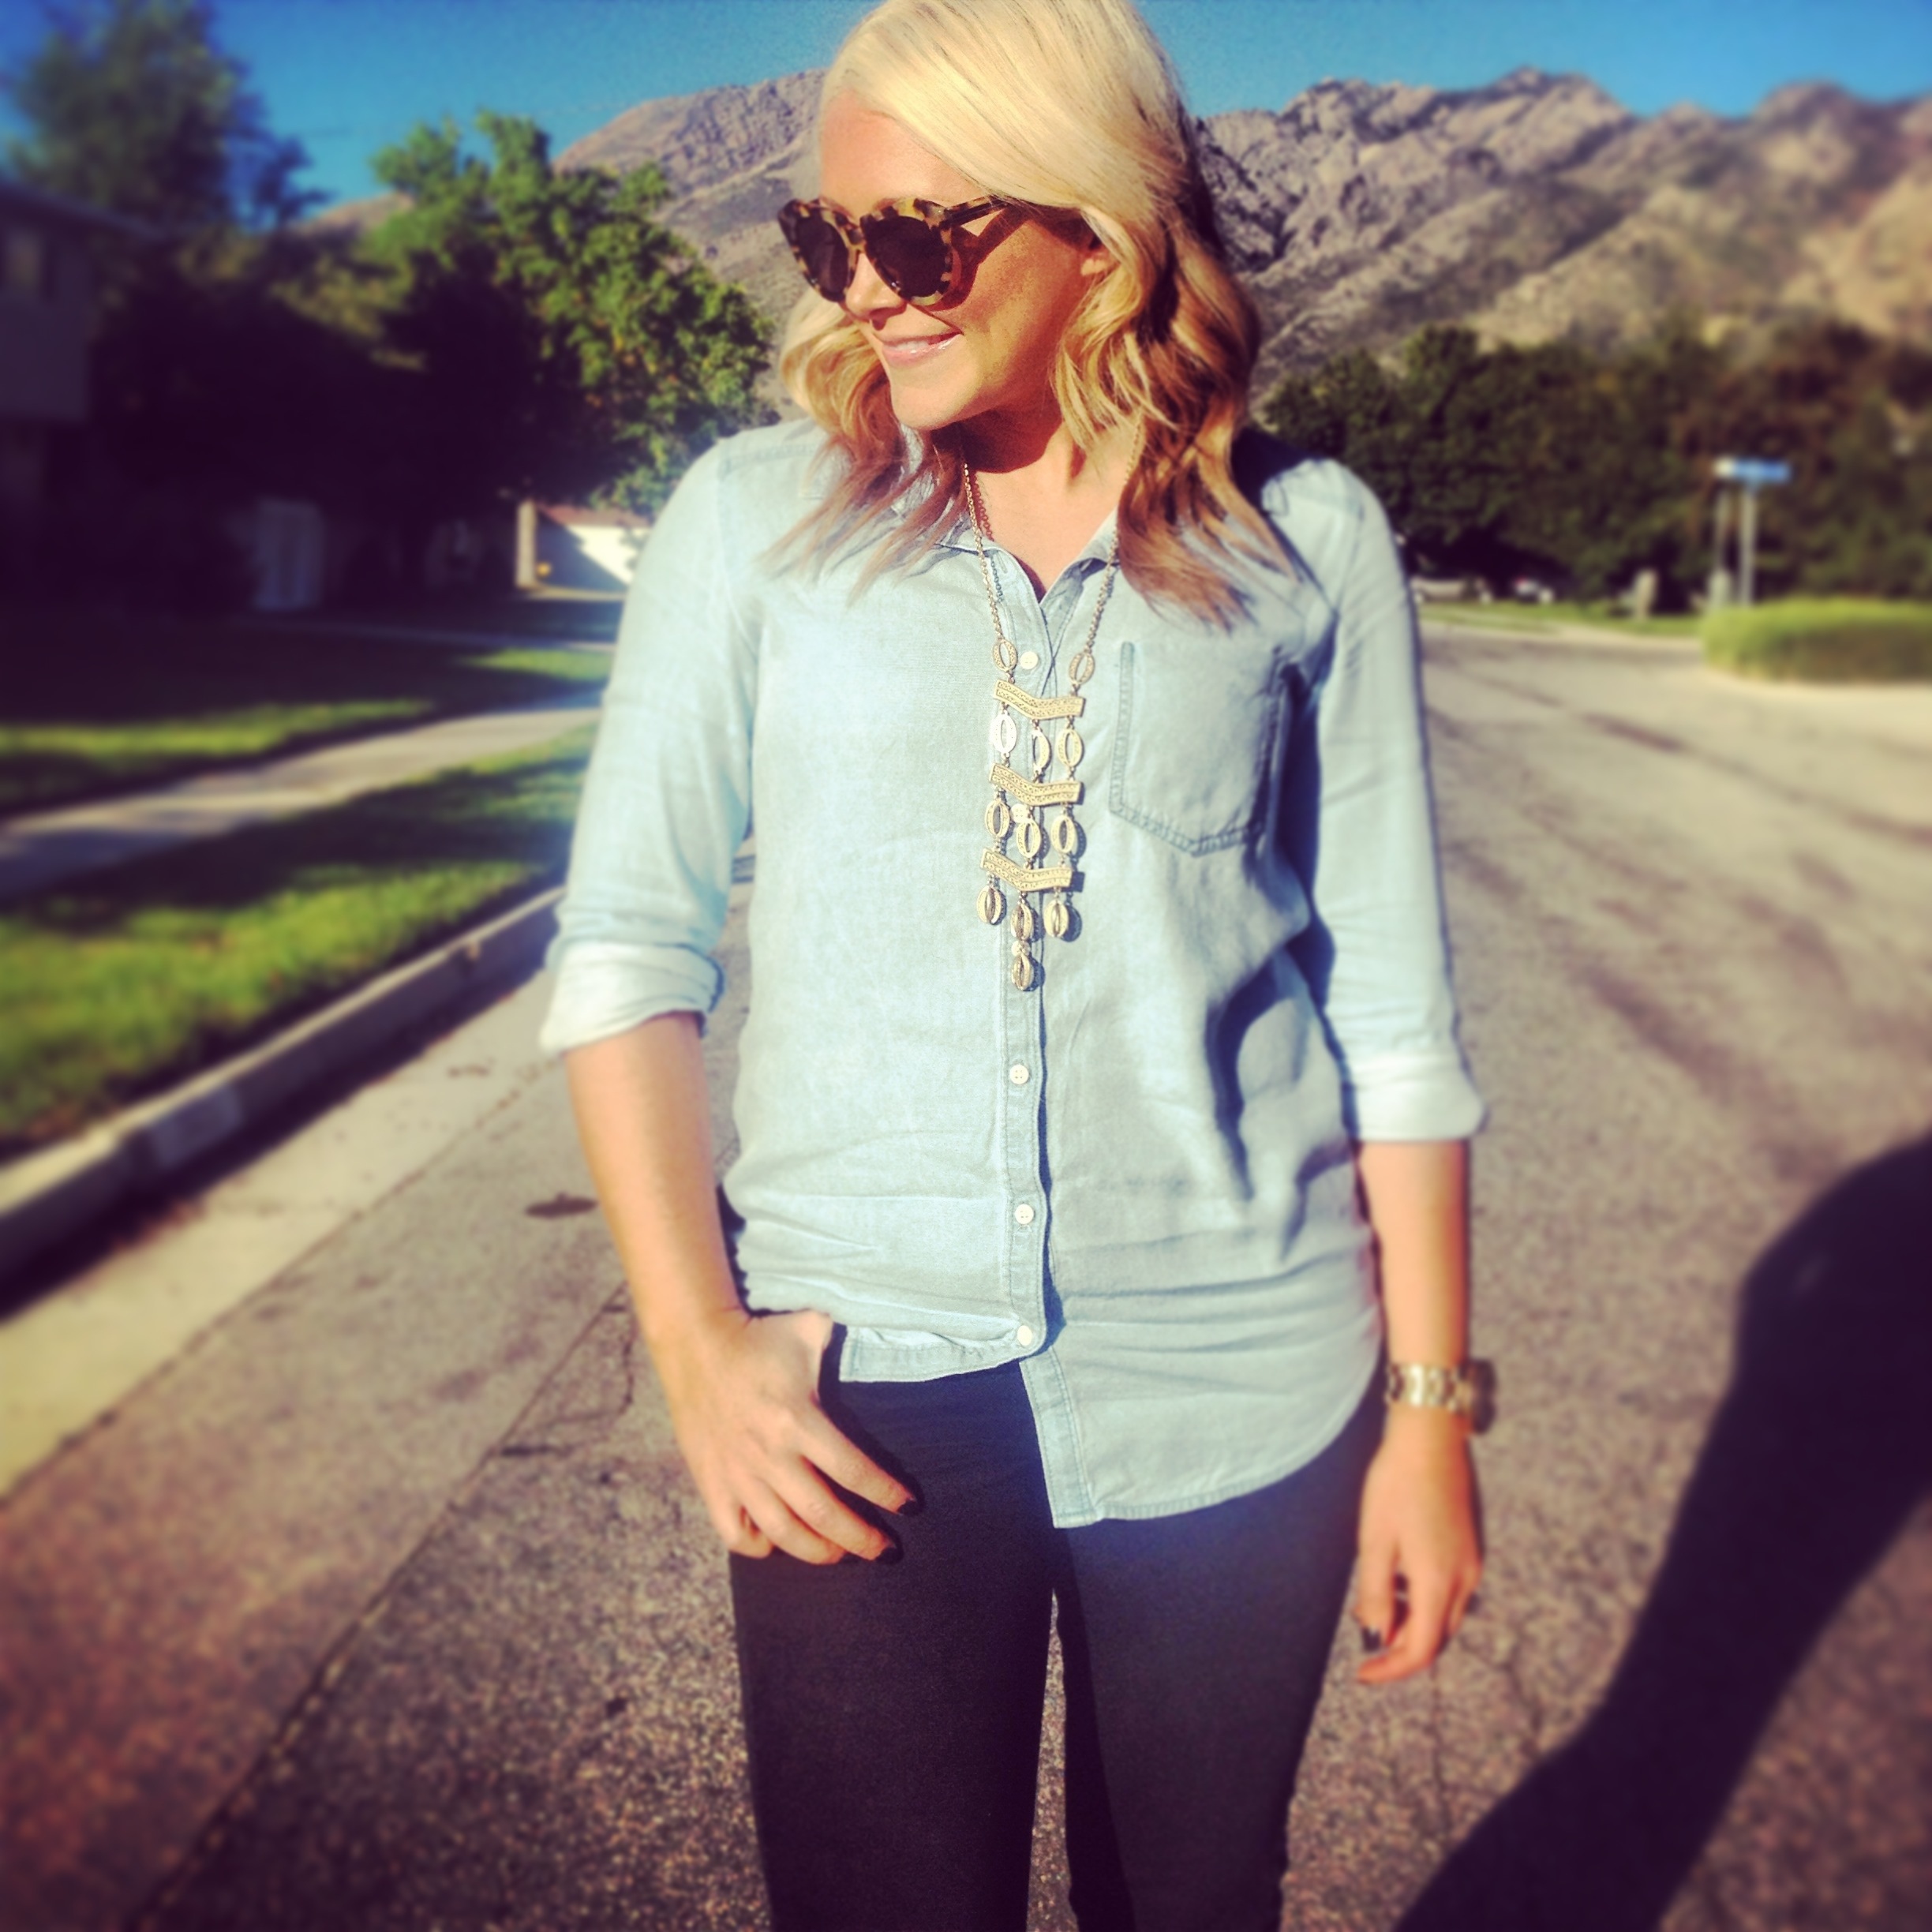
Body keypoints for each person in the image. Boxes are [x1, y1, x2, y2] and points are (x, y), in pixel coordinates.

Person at [541, 2, 1488, 1926]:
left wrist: (1428, 1414)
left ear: (1101, 227)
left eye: (919, 236)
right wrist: (697, 1348)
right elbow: (629, 944)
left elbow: (1393, 1020)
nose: (865, 292)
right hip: (862, 1387)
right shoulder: (752, 524)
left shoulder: (1307, 540)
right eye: (830, 240)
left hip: (1248, 1386)